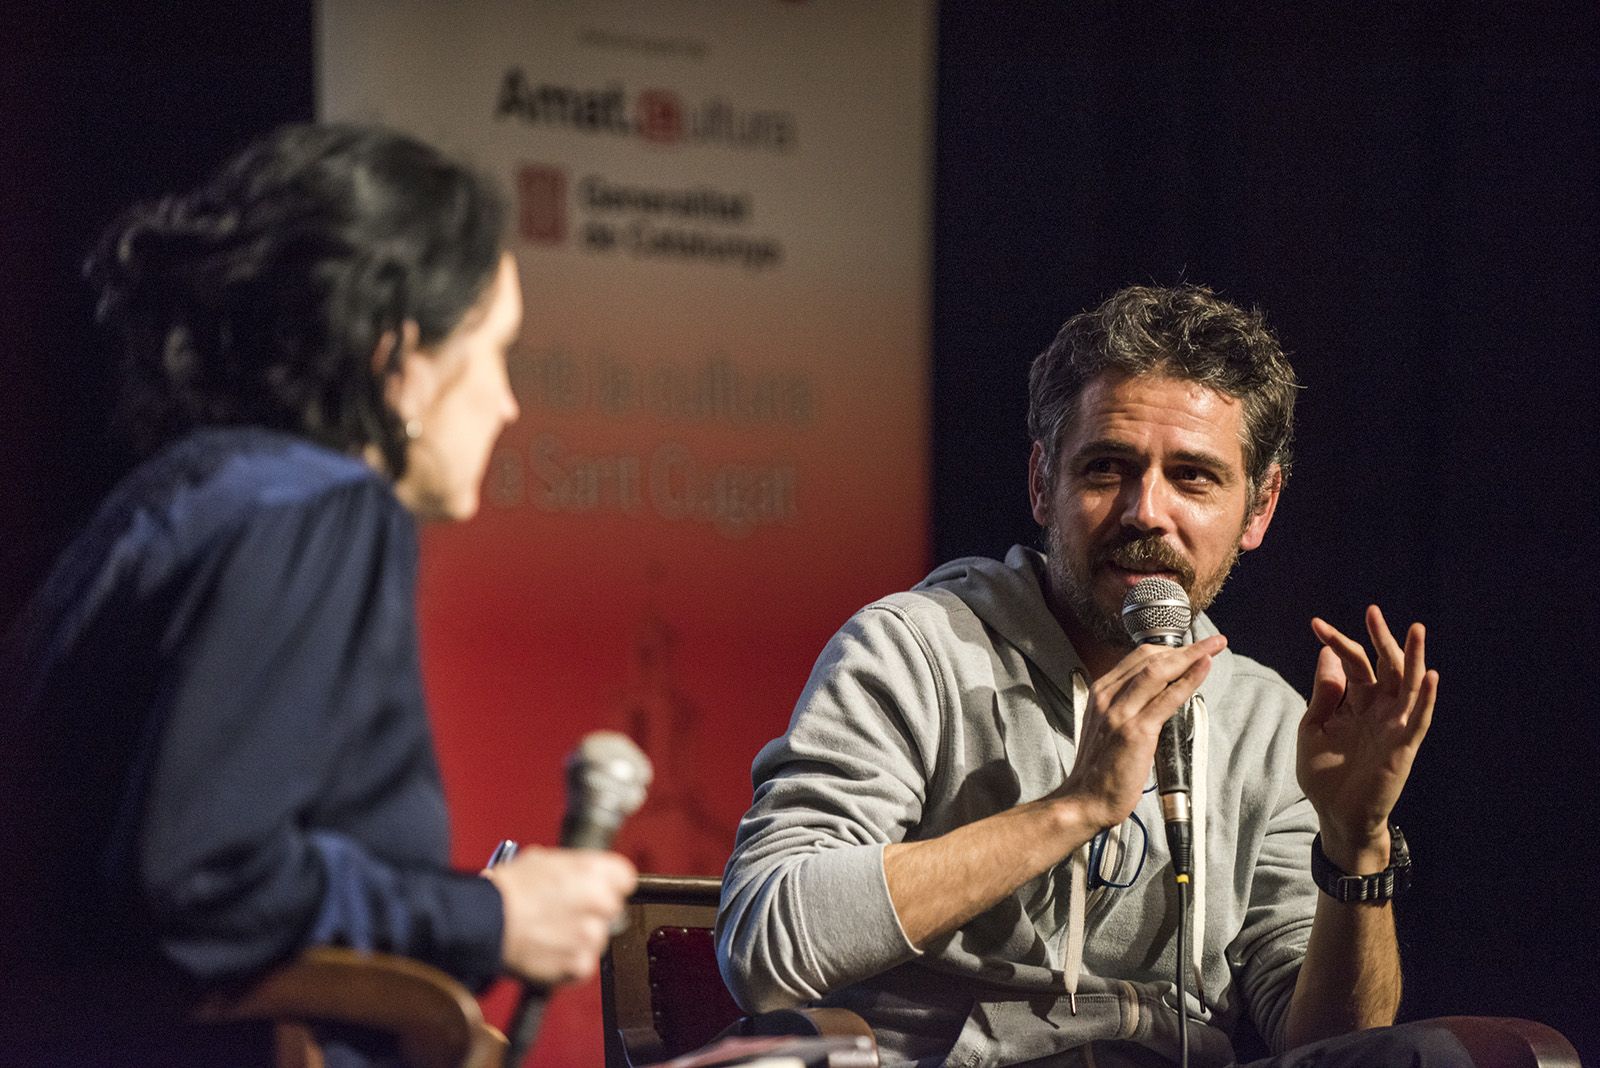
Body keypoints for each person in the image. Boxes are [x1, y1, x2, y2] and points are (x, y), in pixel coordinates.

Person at [0, 124, 635, 1065]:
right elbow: (207, 877)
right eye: (494, 350)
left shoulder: (174, 503)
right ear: (399, 359)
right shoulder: (325, 511)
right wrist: (491, 916)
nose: (508, 403)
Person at [716, 285, 1452, 1067]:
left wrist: (1353, 845)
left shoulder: (1266, 715)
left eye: (1194, 478)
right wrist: (1071, 809)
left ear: (1259, 508)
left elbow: (1331, 1047)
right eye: (1107, 467)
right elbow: (763, 944)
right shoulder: (913, 652)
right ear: (1043, 483)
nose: (1145, 511)